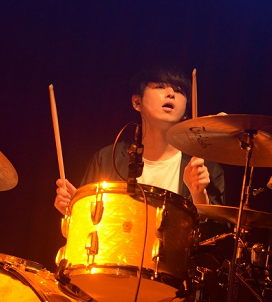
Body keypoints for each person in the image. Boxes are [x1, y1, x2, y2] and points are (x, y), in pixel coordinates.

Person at [53, 66, 225, 214]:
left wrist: (198, 195)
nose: (171, 94)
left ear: (186, 111)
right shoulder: (107, 159)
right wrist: (75, 210)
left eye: (179, 91)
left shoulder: (205, 167)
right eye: (160, 87)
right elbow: (87, 231)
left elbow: (218, 236)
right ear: (137, 102)